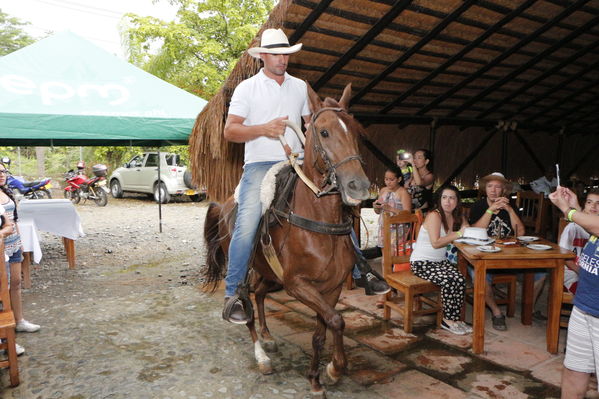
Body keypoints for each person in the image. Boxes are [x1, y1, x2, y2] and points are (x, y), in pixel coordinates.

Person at [221, 28, 386, 324]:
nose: (282, 59)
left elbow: (311, 125)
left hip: (296, 162)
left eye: (286, 53)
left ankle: (362, 268)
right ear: (263, 57)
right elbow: (230, 131)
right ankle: (234, 292)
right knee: (246, 222)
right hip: (260, 164)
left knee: (337, 208)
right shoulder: (248, 89)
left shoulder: (300, 87)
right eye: (276, 54)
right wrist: (264, 129)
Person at [548, 186, 599, 399]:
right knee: (573, 372)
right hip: (583, 308)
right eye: (590, 203)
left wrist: (568, 211)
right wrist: (575, 206)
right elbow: (593, 226)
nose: (593, 208)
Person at [410, 185, 471, 335]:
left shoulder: (454, 216)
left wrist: (464, 226)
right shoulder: (434, 215)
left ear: (457, 201)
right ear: (439, 200)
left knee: (460, 279)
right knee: (450, 280)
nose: (448, 201)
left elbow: (466, 232)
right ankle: (447, 320)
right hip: (421, 263)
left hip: (439, 262)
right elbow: (436, 242)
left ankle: (456, 319)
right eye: (444, 197)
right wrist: (459, 233)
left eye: (452, 198)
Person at [470, 172, 527, 331]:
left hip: (508, 255)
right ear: (485, 188)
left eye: (497, 187)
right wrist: (490, 210)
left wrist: (509, 210)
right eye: (489, 186)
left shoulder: (512, 206)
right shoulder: (478, 206)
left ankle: (528, 309)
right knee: (480, 277)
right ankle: (496, 312)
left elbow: (520, 233)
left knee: (541, 275)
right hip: (483, 256)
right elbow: (474, 232)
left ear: (504, 190)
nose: (493, 190)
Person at [0, 163, 40, 356]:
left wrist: (21, 244)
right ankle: (5, 337)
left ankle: (19, 321)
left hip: (13, 245)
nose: (1, 175)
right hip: (0, 248)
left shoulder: (6, 193)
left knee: (15, 284)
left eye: (3, 171)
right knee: (3, 291)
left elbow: (14, 220)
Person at [351, 168, 410, 298]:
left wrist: (391, 209)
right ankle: (387, 290)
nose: (388, 182)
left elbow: (407, 214)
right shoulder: (383, 191)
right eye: (386, 179)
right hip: (384, 228)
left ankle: (392, 288)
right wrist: (376, 207)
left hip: (398, 229)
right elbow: (378, 212)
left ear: (399, 179)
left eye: (391, 179)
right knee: (385, 260)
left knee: (393, 259)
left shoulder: (403, 193)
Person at [559, 189, 599, 294]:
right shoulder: (573, 227)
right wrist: (582, 273)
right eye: (589, 202)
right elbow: (564, 257)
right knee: (585, 292)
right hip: (572, 271)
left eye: (598, 203)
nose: (593, 206)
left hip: (592, 274)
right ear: (584, 205)